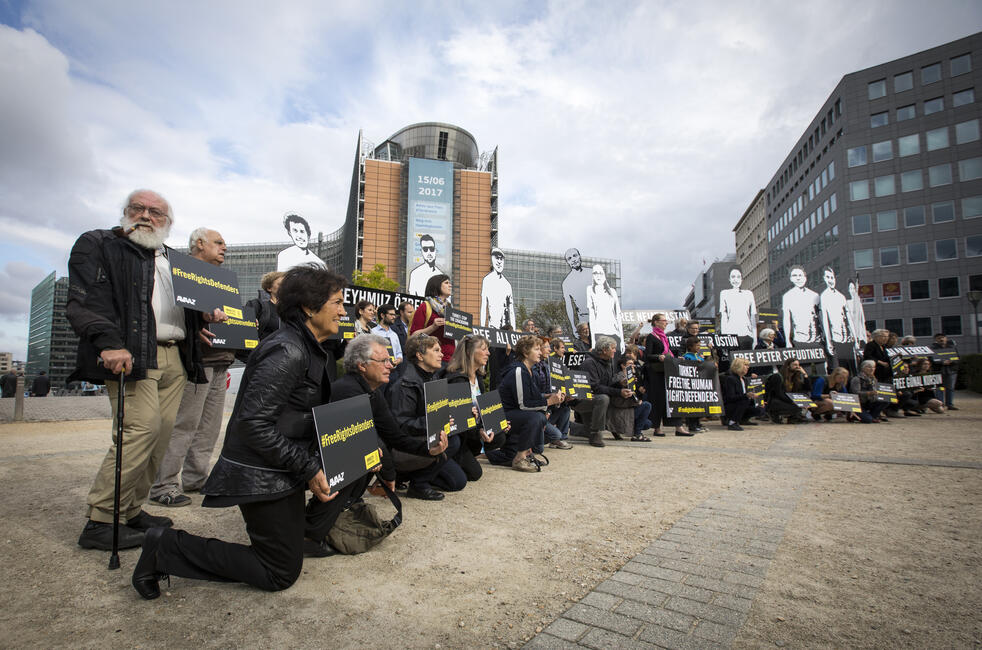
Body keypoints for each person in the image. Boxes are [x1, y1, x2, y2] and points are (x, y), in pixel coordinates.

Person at [130, 266, 356, 597]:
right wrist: (309, 468)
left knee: (289, 549)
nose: (343, 312)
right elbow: (253, 424)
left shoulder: (306, 347)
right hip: (261, 472)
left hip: (281, 468)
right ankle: (164, 548)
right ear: (309, 307)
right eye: (337, 303)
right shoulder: (287, 350)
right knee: (280, 572)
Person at [68, 189, 219, 551]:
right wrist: (107, 342)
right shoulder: (101, 244)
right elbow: (86, 300)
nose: (147, 216)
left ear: (168, 223)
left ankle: (131, 509)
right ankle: (102, 518)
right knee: (140, 430)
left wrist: (200, 319)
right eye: (139, 208)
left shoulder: (173, 260)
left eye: (156, 212)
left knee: (161, 434)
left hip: (175, 356)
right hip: (133, 353)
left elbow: (174, 306)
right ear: (126, 212)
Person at [150, 227, 235, 508]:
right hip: (195, 361)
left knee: (209, 427)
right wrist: (196, 325)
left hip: (220, 360)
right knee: (184, 424)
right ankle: (164, 484)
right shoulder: (177, 271)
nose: (224, 247)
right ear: (199, 243)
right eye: (218, 242)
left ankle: (197, 478)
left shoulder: (221, 280)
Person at [333, 334, 447, 511]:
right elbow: (366, 442)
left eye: (390, 360)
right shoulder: (347, 391)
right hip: (319, 465)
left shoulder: (373, 392)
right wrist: (389, 475)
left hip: (355, 459)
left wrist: (428, 450)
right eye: (383, 361)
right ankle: (339, 505)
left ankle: (348, 501)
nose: (391, 365)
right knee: (368, 453)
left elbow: (395, 436)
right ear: (362, 365)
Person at [389, 333, 467, 499]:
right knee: (452, 441)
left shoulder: (433, 377)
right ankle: (418, 485)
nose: (442, 355)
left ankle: (408, 475)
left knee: (457, 482)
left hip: (424, 439)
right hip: (405, 447)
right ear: (420, 355)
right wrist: (433, 423)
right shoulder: (405, 384)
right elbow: (400, 425)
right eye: (436, 350)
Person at [439, 334, 504, 476]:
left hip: (470, 432)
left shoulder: (478, 377)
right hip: (457, 436)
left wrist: (496, 423)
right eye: (483, 349)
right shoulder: (456, 379)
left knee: (499, 435)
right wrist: (479, 431)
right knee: (473, 474)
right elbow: (458, 420)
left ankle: (466, 456)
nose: (488, 353)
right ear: (469, 352)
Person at [493, 336, 562, 470]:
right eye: (536, 349)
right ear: (525, 352)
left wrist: (549, 396)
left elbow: (532, 397)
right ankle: (520, 459)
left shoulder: (531, 371)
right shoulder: (518, 370)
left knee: (539, 421)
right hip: (504, 416)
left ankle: (520, 453)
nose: (540, 352)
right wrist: (549, 401)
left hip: (516, 414)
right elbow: (523, 404)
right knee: (537, 418)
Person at [573, 336, 626, 447]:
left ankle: (574, 428)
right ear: (604, 350)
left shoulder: (608, 362)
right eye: (613, 348)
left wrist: (620, 384)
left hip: (594, 399)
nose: (615, 351)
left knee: (586, 430)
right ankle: (595, 433)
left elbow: (608, 383)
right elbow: (595, 387)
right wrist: (618, 392)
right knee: (603, 398)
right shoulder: (589, 363)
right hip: (582, 400)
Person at [644, 313, 691, 436]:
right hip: (656, 373)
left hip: (667, 371)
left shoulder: (664, 337)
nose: (666, 323)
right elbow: (647, 355)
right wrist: (658, 357)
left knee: (672, 398)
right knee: (658, 399)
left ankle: (678, 426)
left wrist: (675, 358)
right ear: (656, 322)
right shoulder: (651, 337)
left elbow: (668, 353)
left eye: (666, 321)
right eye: (664, 320)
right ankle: (657, 427)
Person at [530, 338, 572, 450]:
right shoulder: (530, 369)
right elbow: (531, 397)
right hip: (535, 411)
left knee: (565, 408)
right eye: (546, 347)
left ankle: (560, 439)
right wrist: (547, 407)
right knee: (541, 447)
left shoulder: (545, 366)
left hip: (546, 408)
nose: (549, 350)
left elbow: (549, 390)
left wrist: (561, 396)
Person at [409, 274, 455, 363]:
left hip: (451, 359)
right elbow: (413, 336)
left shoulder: (450, 309)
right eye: (446, 283)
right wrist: (433, 327)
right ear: (437, 285)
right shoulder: (425, 307)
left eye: (450, 283)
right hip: (432, 361)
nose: (450, 285)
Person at [587, 265, 624, 352]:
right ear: (592, 275)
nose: (598, 276)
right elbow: (592, 316)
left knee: (614, 358)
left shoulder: (612, 291)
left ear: (604, 275)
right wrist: (593, 342)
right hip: (599, 333)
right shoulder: (590, 290)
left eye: (600, 273)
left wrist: (622, 340)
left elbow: (618, 316)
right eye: (595, 273)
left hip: (614, 333)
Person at [720, 357, 763, 430]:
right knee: (744, 400)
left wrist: (757, 400)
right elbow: (730, 397)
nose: (748, 367)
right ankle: (732, 422)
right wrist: (746, 396)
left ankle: (743, 419)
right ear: (739, 366)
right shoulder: (730, 379)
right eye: (745, 365)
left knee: (760, 408)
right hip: (730, 405)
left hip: (741, 403)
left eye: (748, 365)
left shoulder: (744, 379)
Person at [819, 267, 854, 355]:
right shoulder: (824, 297)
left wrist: (855, 336)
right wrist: (829, 342)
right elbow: (825, 321)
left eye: (832, 277)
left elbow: (849, 318)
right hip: (836, 338)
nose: (830, 280)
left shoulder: (841, 296)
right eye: (828, 277)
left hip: (848, 338)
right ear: (824, 279)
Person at [782, 265, 820, 346]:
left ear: (805, 277)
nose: (798, 278)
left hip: (816, 340)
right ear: (791, 279)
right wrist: (788, 341)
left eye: (800, 275)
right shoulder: (788, 297)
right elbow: (786, 320)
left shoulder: (814, 295)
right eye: (794, 275)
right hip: (799, 339)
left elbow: (820, 318)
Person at [480, 247, 516, 329]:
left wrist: (513, 330)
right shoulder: (487, 280)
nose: (499, 261)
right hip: (493, 327)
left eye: (501, 259)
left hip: (506, 328)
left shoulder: (507, 285)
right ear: (492, 259)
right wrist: (482, 328)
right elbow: (483, 306)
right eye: (497, 258)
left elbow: (511, 310)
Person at [244, 270, 284, 344]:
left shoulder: (292, 310)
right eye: (280, 284)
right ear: (269, 288)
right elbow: (245, 325)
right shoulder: (257, 305)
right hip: (264, 349)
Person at [719, 266, 757, 340]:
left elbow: (753, 317)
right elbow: (724, 316)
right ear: (729, 279)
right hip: (731, 334)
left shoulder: (749, 294)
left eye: (738, 277)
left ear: (742, 279)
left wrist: (755, 338)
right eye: (733, 277)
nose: (735, 280)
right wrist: (725, 337)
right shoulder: (724, 294)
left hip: (747, 334)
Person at [764, 359, 806, 424]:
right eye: (795, 365)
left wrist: (805, 374)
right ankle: (775, 414)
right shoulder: (778, 377)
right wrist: (793, 401)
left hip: (786, 400)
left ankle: (794, 418)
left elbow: (807, 388)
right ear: (788, 366)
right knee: (797, 407)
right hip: (774, 401)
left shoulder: (795, 378)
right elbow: (779, 394)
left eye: (798, 365)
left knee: (801, 405)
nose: (798, 367)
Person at [561, 247, 593, 333]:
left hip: (599, 315)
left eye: (575, 256)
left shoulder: (592, 273)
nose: (573, 260)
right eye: (569, 258)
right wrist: (573, 326)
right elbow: (569, 306)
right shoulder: (567, 283)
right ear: (567, 262)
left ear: (579, 256)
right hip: (584, 319)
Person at [371, 303, 404, 374]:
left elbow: (399, 353)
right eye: (391, 314)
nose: (394, 317)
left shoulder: (394, 335)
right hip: (378, 372)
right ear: (382, 315)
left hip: (394, 372)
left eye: (394, 315)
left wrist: (399, 359)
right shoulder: (373, 332)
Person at [931, 333, 959, 410]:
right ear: (936, 340)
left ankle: (950, 404)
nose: (941, 339)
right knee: (940, 388)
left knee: (950, 388)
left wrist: (952, 361)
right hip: (939, 370)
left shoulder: (952, 347)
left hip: (951, 370)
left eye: (942, 337)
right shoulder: (933, 349)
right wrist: (942, 362)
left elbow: (957, 358)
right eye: (939, 338)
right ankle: (940, 404)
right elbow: (932, 359)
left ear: (946, 338)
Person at [845, 278, 868, 346]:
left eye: (853, 288)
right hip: (852, 336)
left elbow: (862, 321)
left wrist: (865, 337)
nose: (852, 290)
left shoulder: (859, 303)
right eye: (850, 288)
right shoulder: (847, 303)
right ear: (848, 290)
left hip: (861, 336)